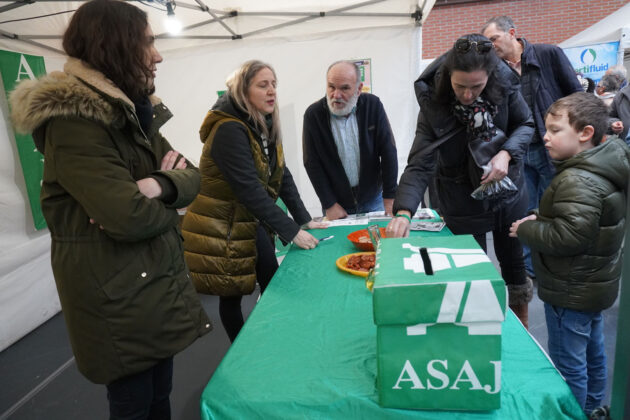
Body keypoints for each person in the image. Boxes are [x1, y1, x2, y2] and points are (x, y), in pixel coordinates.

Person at [9, 1, 211, 418]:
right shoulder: (73, 122)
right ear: (114, 46)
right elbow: (129, 217)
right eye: (147, 43)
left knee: (160, 394)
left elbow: (192, 175)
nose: (157, 55)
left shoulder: (132, 112)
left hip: (147, 283)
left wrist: (157, 183)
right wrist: (166, 204)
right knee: (134, 404)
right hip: (116, 293)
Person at [386, 34, 535, 327]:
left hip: (509, 195)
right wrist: (404, 211)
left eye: (476, 87)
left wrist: (506, 153)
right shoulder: (434, 106)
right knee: (472, 275)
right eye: (460, 87)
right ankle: (479, 333)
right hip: (461, 200)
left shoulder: (505, 89)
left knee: (516, 271)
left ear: (490, 78)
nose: (468, 95)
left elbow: (526, 124)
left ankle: (523, 336)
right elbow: (419, 162)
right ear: (448, 79)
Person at [181, 60, 326, 343]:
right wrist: (292, 230)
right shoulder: (229, 130)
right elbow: (248, 189)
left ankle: (274, 339)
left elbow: (281, 174)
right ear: (243, 92)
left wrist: (304, 218)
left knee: (272, 281)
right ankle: (240, 351)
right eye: (263, 85)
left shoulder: (264, 125)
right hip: (221, 224)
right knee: (232, 292)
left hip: (246, 219)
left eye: (274, 84)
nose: (272, 91)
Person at [510, 92, 629, 416]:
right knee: (593, 352)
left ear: (585, 133)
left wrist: (525, 230)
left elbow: (569, 235)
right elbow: (578, 220)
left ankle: (572, 412)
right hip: (592, 287)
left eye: (555, 130)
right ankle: (592, 407)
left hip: (570, 290)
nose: (545, 137)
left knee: (568, 362)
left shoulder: (578, 179)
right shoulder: (601, 167)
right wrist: (541, 216)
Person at [482, 16, 583, 280]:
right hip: (518, 151)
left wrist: (578, 137)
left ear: (512, 33)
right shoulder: (496, 71)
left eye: (494, 39)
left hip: (552, 148)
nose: (491, 46)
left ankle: (554, 266)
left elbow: (577, 95)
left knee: (555, 208)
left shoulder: (548, 54)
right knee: (524, 210)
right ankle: (528, 270)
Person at [302, 60, 398, 220]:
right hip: (336, 204)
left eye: (344, 88)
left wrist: (390, 196)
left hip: (373, 199)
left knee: (378, 242)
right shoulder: (313, 115)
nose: (336, 95)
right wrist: (329, 204)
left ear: (359, 89)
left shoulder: (373, 106)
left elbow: (388, 151)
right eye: (331, 87)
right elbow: (312, 163)